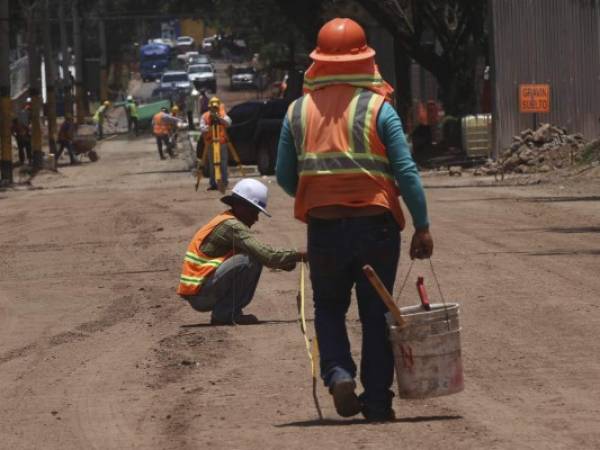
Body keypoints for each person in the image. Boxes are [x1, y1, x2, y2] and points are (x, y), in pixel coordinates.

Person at [276, 18, 434, 422]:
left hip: (325, 228)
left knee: (328, 307)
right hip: (376, 228)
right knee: (376, 312)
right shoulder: (380, 109)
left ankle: (339, 373)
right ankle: (378, 402)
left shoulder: (298, 112)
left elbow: (283, 176)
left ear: (318, 62)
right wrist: (422, 224)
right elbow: (406, 172)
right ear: (366, 59)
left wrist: (318, 197)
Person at [176, 178, 304, 325]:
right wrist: (300, 255)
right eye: (254, 212)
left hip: (200, 292)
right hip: (201, 295)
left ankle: (228, 311)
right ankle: (226, 313)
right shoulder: (232, 226)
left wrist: (286, 260)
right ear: (240, 206)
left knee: (253, 256)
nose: (256, 219)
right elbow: (266, 255)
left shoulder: (227, 220)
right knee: (251, 258)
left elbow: (266, 255)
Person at [200, 96, 231, 191]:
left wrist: (219, 119)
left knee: (223, 164)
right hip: (210, 143)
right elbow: (201, 128)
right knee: (212, 164)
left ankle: (224, 183)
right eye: (212, 108)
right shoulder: (205, 116)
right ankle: (213, 183)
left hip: (222, 143)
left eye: (216, 108)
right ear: (209, 107)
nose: (214, 109)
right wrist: (209, 128)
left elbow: (228, 123)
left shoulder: (222, 115)